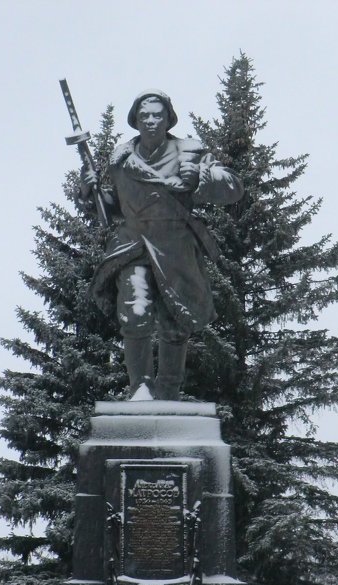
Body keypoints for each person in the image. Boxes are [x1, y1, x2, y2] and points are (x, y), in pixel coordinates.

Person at [80, 89, 243, 400]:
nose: (151, 121)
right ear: (136, 121)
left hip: (175, 247)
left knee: (174, 322)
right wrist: (91, 191)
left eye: (157, 115)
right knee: (135, 311)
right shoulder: (121, 159)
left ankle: (168, 390)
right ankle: (140, 386)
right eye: (145, 116)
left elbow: (233, 186)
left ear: (168, 118)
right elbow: (114, 207)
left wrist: (202, 178)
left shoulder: (189, 152)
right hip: (134, 244)